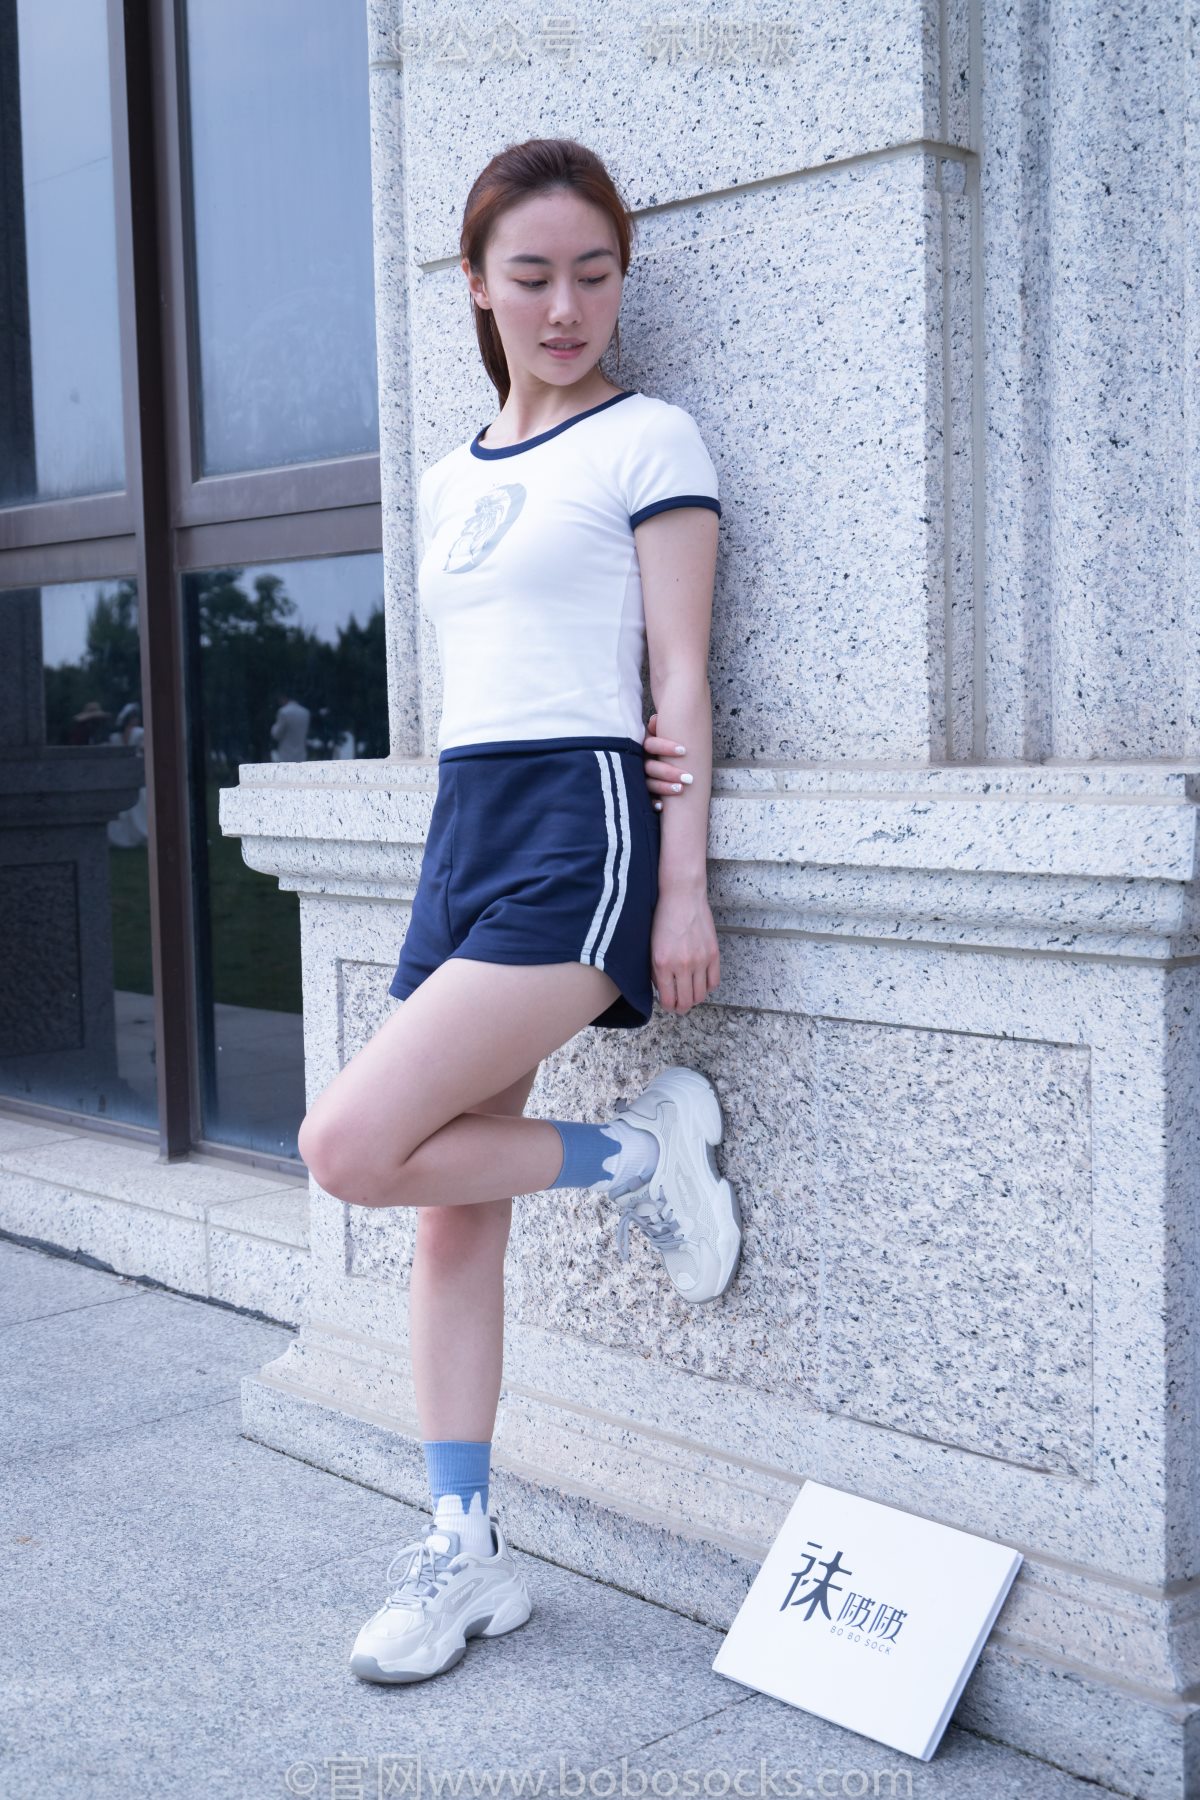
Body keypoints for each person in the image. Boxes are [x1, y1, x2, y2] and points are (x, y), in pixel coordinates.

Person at [294, 137, 743, 1686]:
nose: (567, 308)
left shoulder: (648, 439)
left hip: (579, 822)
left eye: (595, 274)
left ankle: (638, 1155)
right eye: (534, 276)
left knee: (350, 1146)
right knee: (446, 1208)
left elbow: (681, 678)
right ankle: (465, 1548)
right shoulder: (447, 480)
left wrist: (682, 884)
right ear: (478, 287)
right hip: (466, 829)